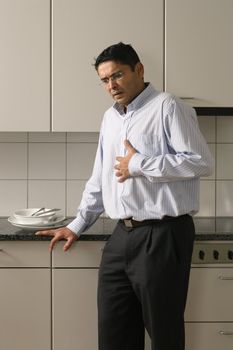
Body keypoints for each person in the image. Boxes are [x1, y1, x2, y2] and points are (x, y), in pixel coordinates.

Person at [36, 42, 214, 350]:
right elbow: (101, 177)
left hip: (163, 234)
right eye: (104, 80)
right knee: (113, 330)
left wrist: (138, 164)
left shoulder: (168, 106)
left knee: (164, 333)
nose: (111, 85)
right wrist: (77, 224)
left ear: (139, 70)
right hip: (122, 237)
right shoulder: (111, 118)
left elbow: (201, 162)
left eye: (117, 75)